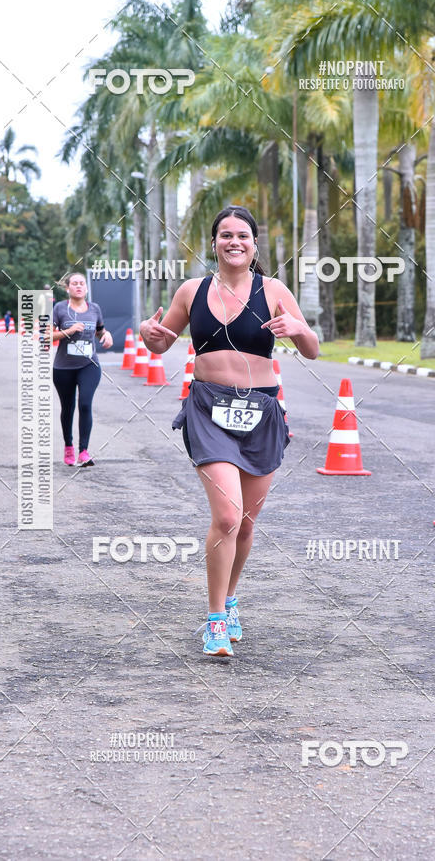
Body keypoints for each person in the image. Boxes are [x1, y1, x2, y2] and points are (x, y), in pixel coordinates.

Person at [140, 205, 319, 657]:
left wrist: (298, 327)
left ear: (255, 245)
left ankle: (232, 598)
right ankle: (215, 619)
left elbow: (312, 350)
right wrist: (150, 335)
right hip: (208, 408)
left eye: (242, 235)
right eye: (225, 235)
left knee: (246, 523)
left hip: (261, 411)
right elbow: (162, 340)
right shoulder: (191, 290)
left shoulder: (274, 289)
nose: (234, 241)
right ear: (214, 243)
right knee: (226, 516)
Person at [51, 273, 113, 466]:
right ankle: (68, 447)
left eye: (82, 284)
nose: (79, 286)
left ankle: (83, 451)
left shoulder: (95, 308)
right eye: (74, 284)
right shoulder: (59, 308)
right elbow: (47, 336)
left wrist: (107, 335)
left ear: (86, 288)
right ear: (68, 288)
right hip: (63, 367)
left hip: (89, 365)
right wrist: (68, 331)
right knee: (68, 408)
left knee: (85, 404)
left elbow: (100, 330)